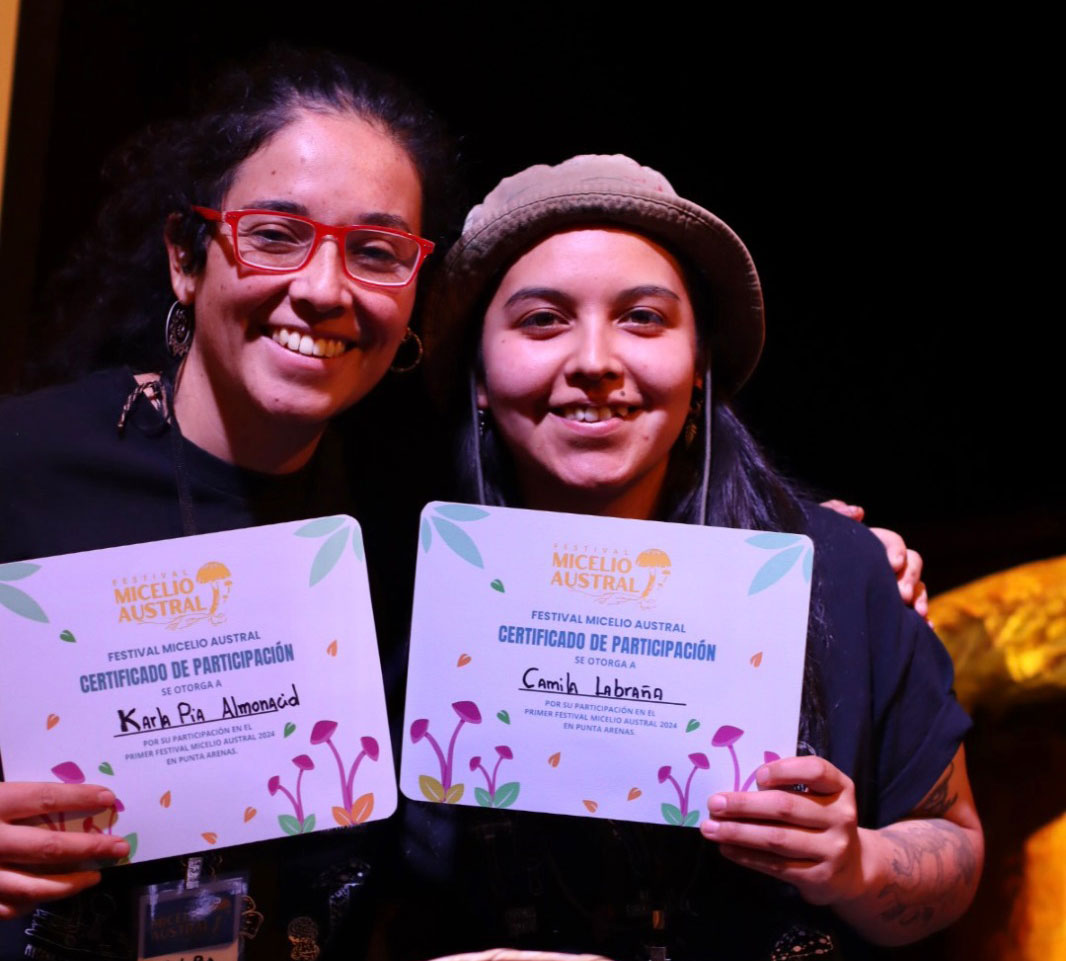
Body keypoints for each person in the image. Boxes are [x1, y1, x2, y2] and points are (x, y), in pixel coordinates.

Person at [390, 155, 982, 961]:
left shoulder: (838, 576)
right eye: (541, 320)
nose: (595, 360)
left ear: (699, 366)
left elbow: (955, 847)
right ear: (480, 376)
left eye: (642, 317)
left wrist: (855, 863)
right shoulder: (395, 597)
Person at [0, 48, 452, 959]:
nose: (323, 290)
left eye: (377, 252)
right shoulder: (22, 466)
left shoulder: (422, 531)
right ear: (185, 257)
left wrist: (820, 542)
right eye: (277, 233)